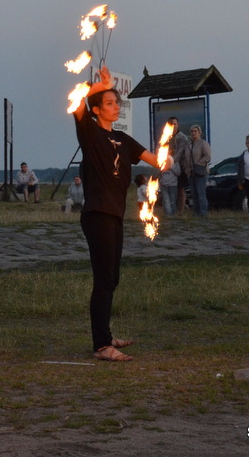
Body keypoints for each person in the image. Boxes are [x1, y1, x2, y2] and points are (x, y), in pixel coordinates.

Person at [72, 66, 163, 362]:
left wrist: (167, 159)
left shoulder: (123, 140)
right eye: (109, 103)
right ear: (97, 110)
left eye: (117, 103)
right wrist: (102, 85)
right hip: (97, 213)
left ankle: (106, 334)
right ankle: (101, 345)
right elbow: (78, 101)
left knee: (112, 278)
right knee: (103, 278)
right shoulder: (90, 132)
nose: (115, 107)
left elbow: (154, 159)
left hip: (115, 215)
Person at [166, 117, 189, 215]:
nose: (173, 126)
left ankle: (181, 211)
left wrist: (170, 161)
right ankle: (172, 210)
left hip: (180, 166)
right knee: (170, 189)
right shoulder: (166, 136)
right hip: (168, 168)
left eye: (175, 124)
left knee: (180, 189)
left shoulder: (182, 137)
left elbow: (180, 153)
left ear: (178, 125)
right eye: (171, 124)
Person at [187, 124, 211, 217]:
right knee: (194, 194)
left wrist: (198, 164)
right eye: (192, 131)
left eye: (195, 131)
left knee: (201, 193)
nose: (193, 133)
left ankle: (203, 214)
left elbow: (207, 156)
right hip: (191, 172)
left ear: (199, 133)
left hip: (200, 171)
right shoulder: (189, 144)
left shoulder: (203, 143)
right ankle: (196, 214)